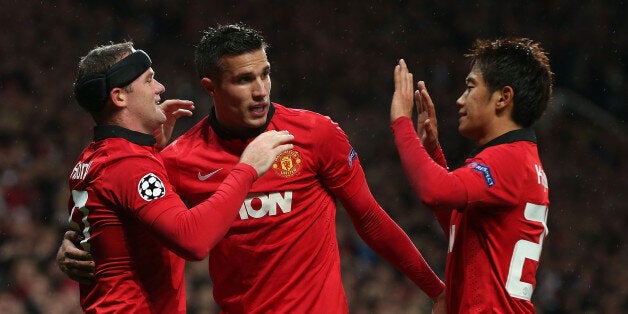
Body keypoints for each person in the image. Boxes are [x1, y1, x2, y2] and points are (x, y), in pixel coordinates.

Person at [59, 24, 446, 313]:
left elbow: (371, 220)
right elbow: (129, 217)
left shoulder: (316, 134)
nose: (261, 90)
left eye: (265, 73)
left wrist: (436, 290)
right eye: (245, 80)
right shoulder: (177, 160)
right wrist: (75, 244)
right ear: (211, 87)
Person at [66, 41, 294, 313]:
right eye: (149, 80)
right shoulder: (129, 164)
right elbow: (193, 241)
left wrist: (151, 148)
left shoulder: (91, 157)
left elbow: (107, 224)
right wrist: (247, 169)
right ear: (119, 97)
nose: (160, 88)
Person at [390, 38, 553, 312]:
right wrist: (431, 152)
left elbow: (433, 190)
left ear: (503, 97)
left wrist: (401, 122)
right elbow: (461, 226)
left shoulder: (507, 159)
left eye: (470, 87)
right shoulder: (520, 158)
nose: (460, 100)